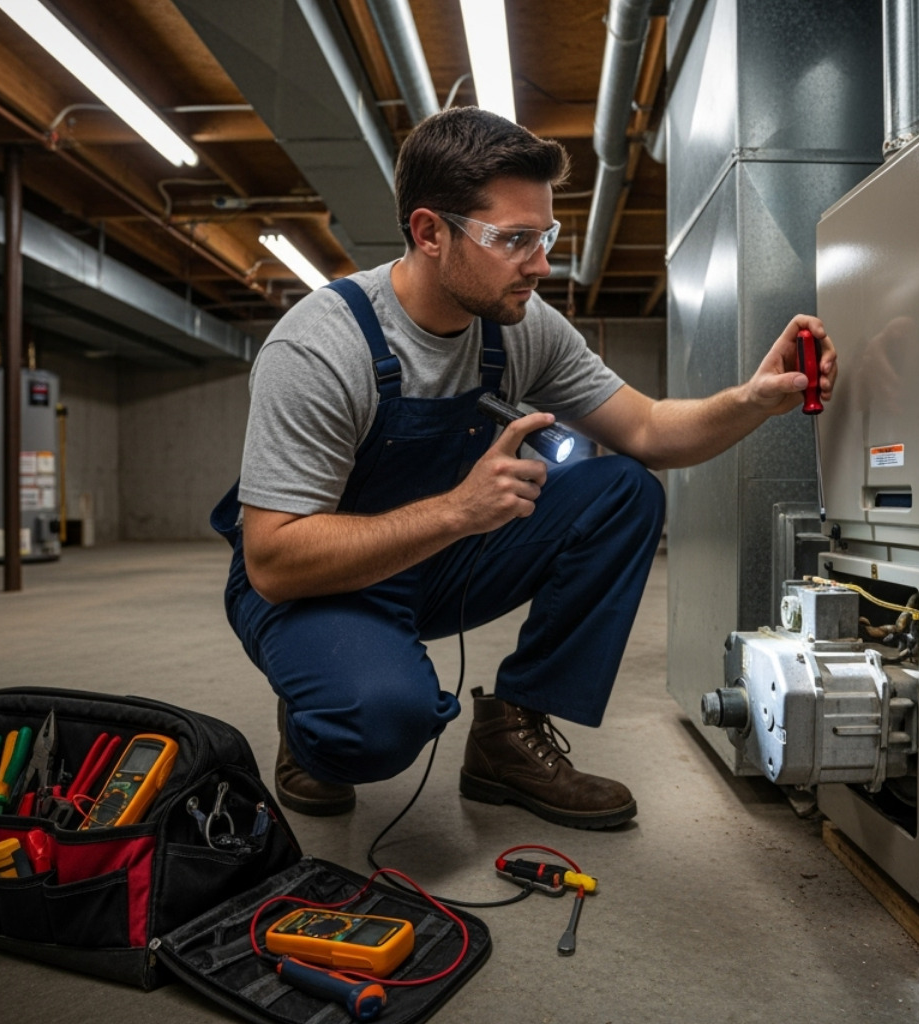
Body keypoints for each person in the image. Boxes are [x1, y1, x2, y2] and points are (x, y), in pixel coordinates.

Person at [211, 107, 836, 830]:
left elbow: (647, 429)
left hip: (437, 561)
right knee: (376, 725)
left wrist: (752, 400)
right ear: (429, 232)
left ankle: (509, 735)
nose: (539, 263)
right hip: (313, 586)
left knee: (623, 492)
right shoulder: (322, 348)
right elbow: (274, 560)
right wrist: (458, 512)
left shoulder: (520, 325)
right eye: (513, 239)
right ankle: (312, 721)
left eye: (544, 236)